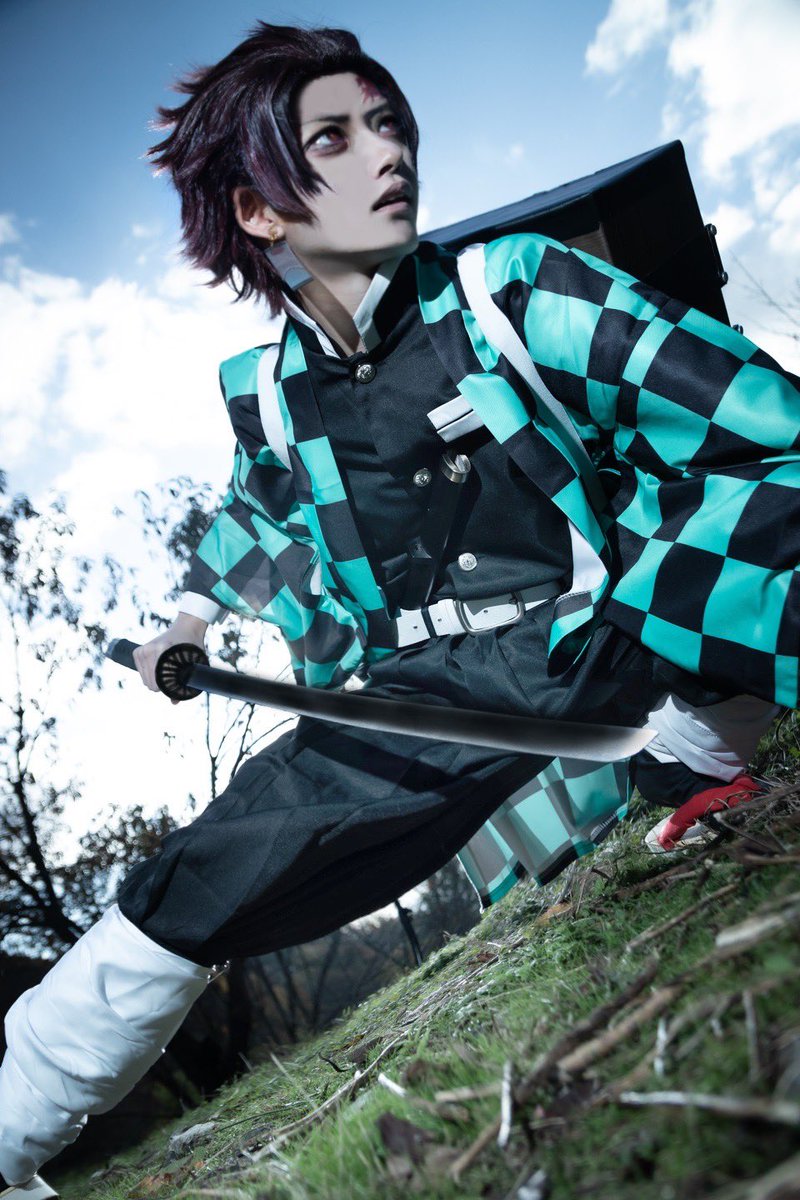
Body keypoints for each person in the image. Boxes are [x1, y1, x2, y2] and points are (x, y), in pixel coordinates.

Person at [1, 21, 796, 1198]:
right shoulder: (273, 398)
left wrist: (692, 581)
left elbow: (739, 411)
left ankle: (696, 747)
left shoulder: (510, 288)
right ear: (258, 209)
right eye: (333, 138)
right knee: (218, 858)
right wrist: (188, 620)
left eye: (388, 124)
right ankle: (10, 1128)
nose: (389, 154)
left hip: (602, 618)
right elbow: (256, 512)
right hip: (427, 689)